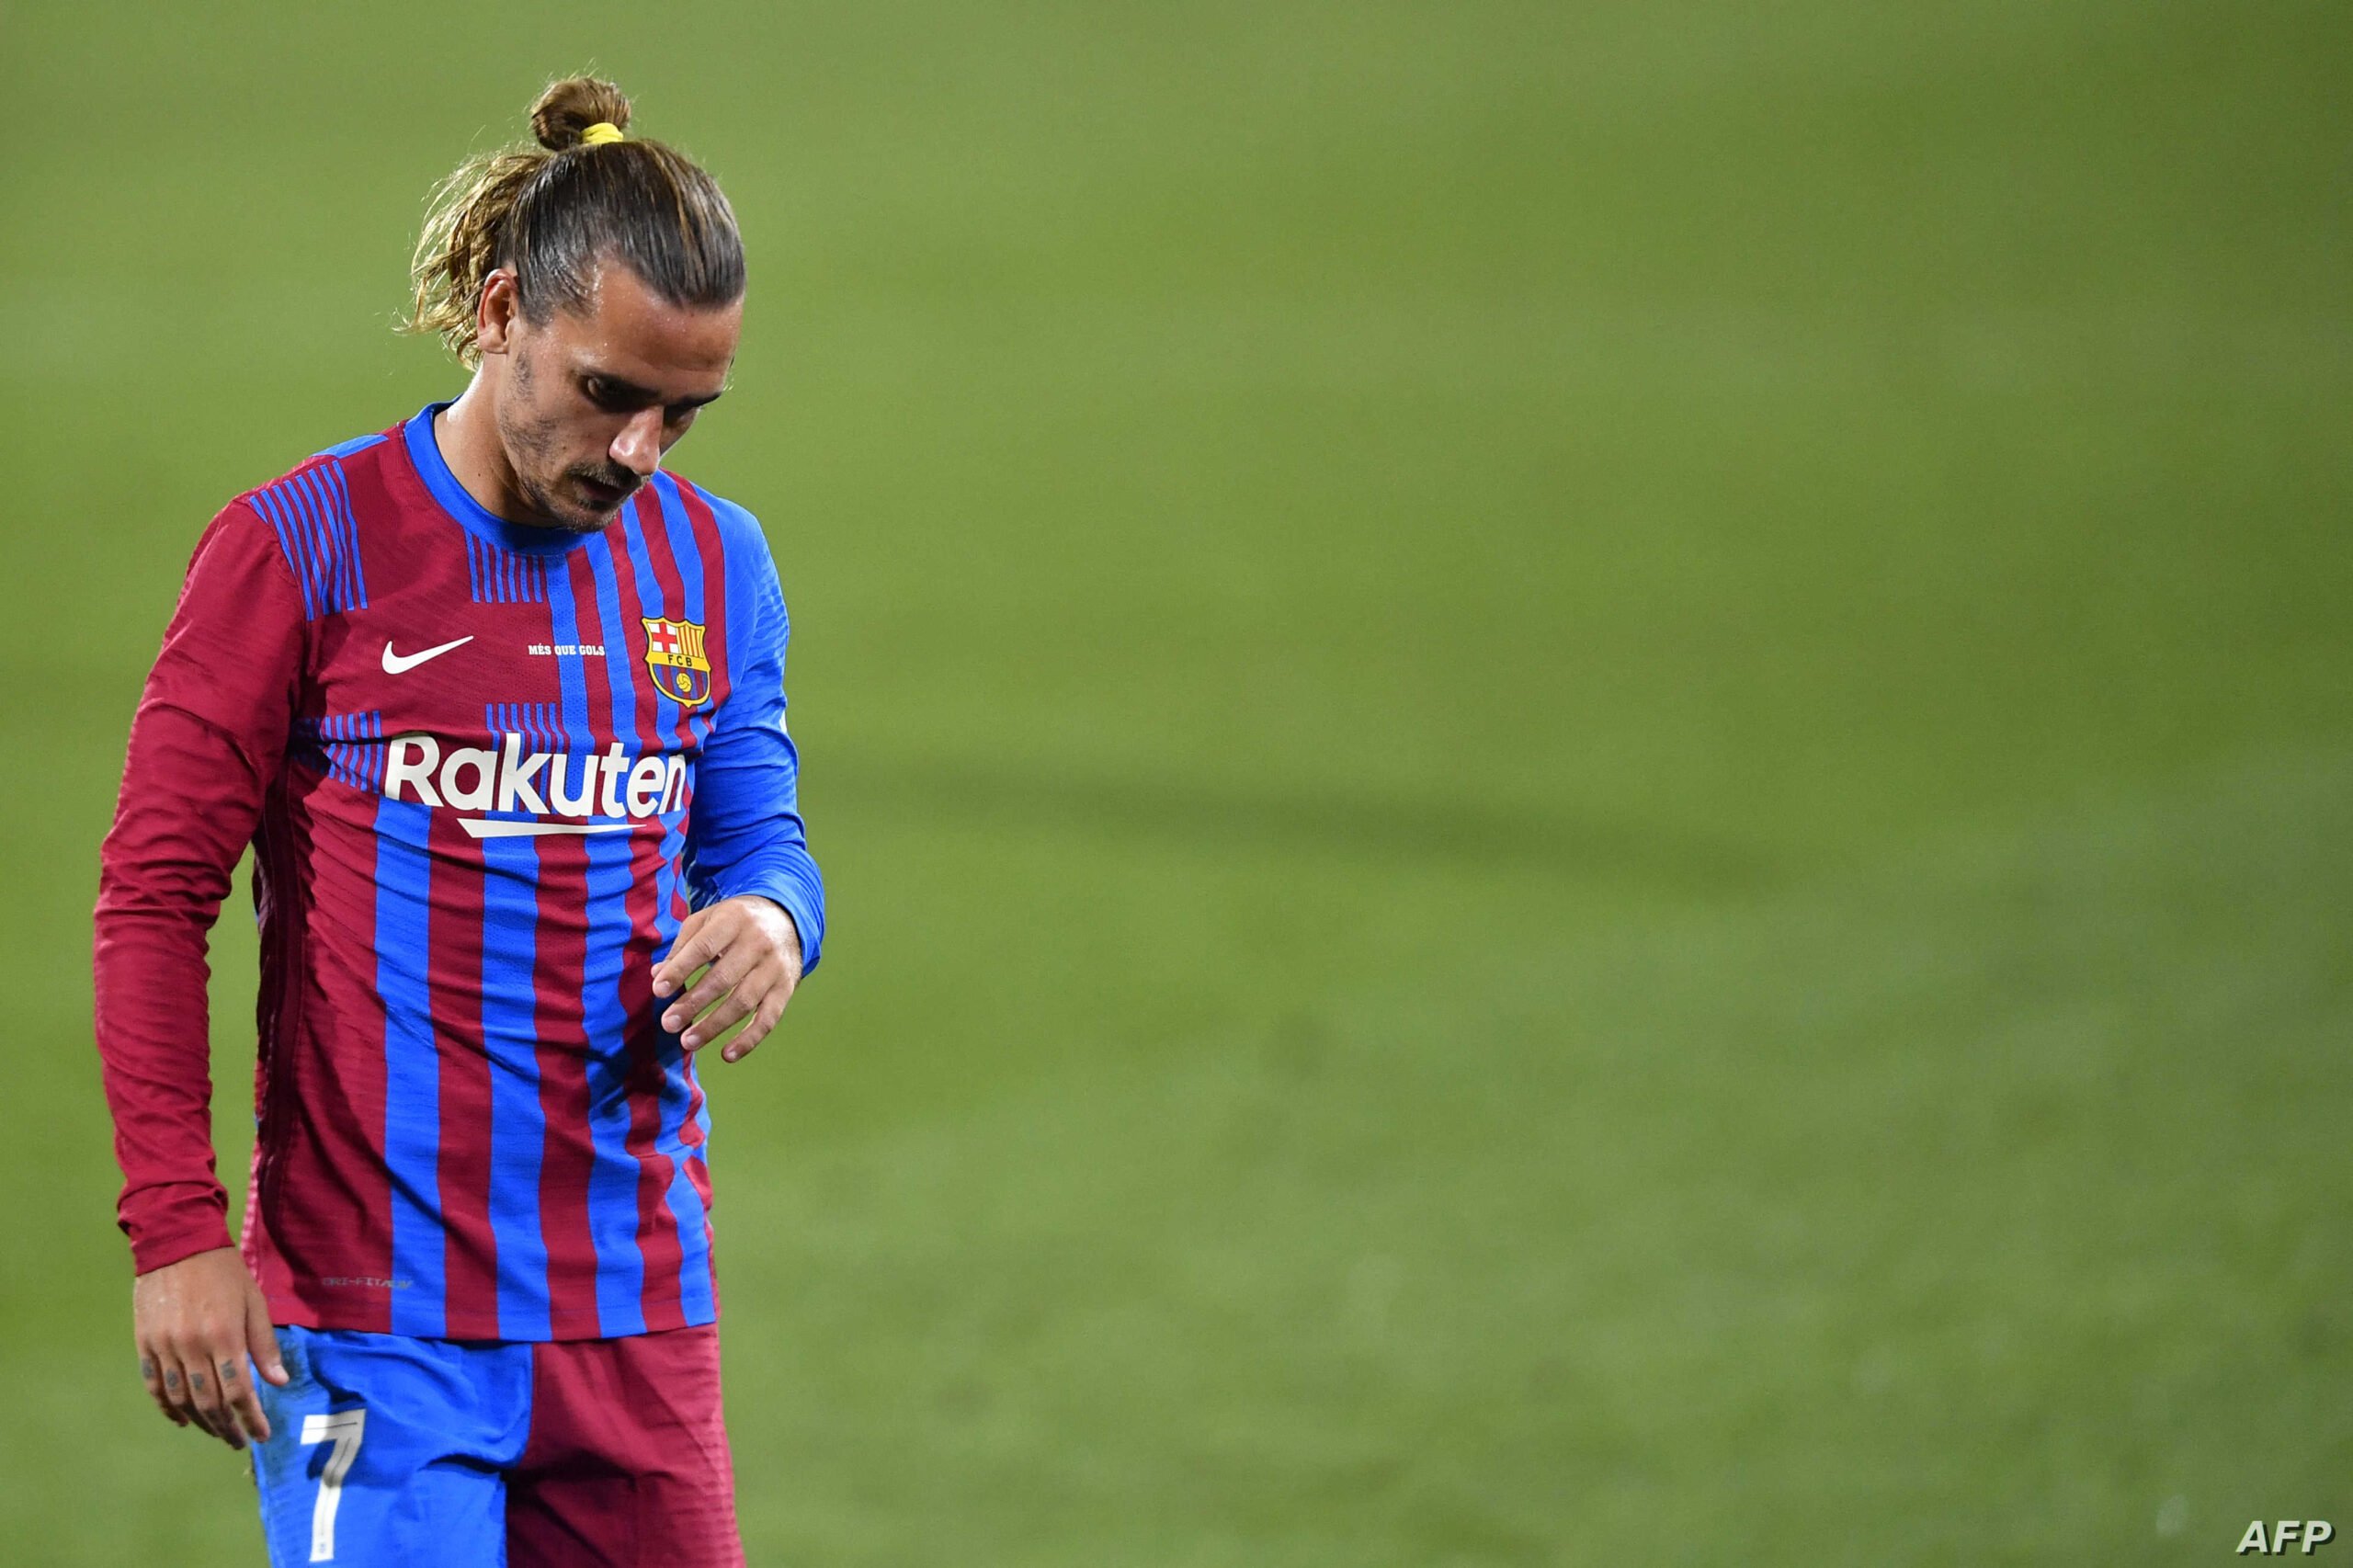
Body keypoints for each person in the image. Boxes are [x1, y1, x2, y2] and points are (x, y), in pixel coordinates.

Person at [92, 75, 822, 1567]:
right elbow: (156, 895)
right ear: (500, 315)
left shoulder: (713, 562)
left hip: (635, 1304)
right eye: (610, 393)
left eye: (686, 411)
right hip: (373, 1319)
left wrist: (773, 919)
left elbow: (760, 835)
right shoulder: (297, 548)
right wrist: (175, 1228)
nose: (641, 453)